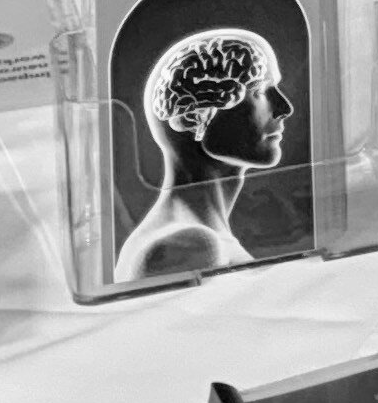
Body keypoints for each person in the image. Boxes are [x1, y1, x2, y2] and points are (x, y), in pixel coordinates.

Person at [114, 26, 292, 281]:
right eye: (259, 92)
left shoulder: (194, 236)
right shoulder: (188, 245)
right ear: (193, 115)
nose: (284, 108)